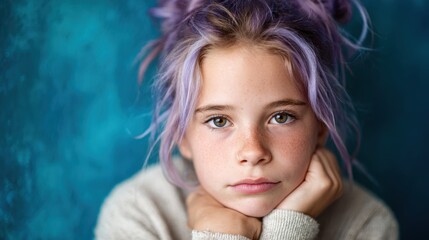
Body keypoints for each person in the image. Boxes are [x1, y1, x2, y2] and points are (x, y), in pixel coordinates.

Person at [95, 0, 399, 239]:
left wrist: (288, 227)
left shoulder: (364, 223)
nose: (253, 152)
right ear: (181, 135)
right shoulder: (139, 213)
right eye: (218, 121)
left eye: (281, 117)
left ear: (320, 126)